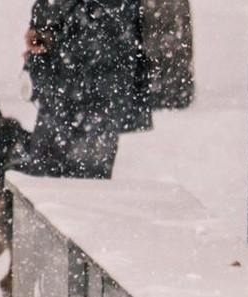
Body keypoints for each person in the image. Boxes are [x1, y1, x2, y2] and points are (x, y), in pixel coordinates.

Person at [19, 0, 151, 179]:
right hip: (62, 89)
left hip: (96, 92)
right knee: (44, 182)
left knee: (84, 184)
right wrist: (41, 28)